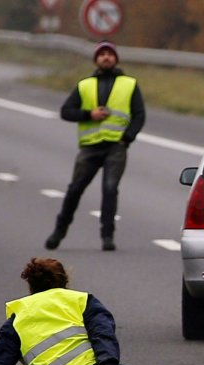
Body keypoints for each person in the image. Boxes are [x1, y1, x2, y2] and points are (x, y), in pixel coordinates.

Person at [0, 257, 174, 365]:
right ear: (65, 280)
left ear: (31, 286)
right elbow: (102, 333)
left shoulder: (16, 321)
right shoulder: (80, 300)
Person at [45, 40, 145, 252]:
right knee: (75, 189)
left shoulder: (129, 84)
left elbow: (139, 115)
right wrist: (89, 114)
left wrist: (128, 137)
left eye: (110, 54)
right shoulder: (84, 85)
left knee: (109, 189)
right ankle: (59, 230)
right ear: (96, 60)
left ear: (116, 59)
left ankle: (107, 236)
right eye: (102, 54)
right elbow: (66, 111)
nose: (106, 57)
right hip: (90, 147)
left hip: (116, 147)